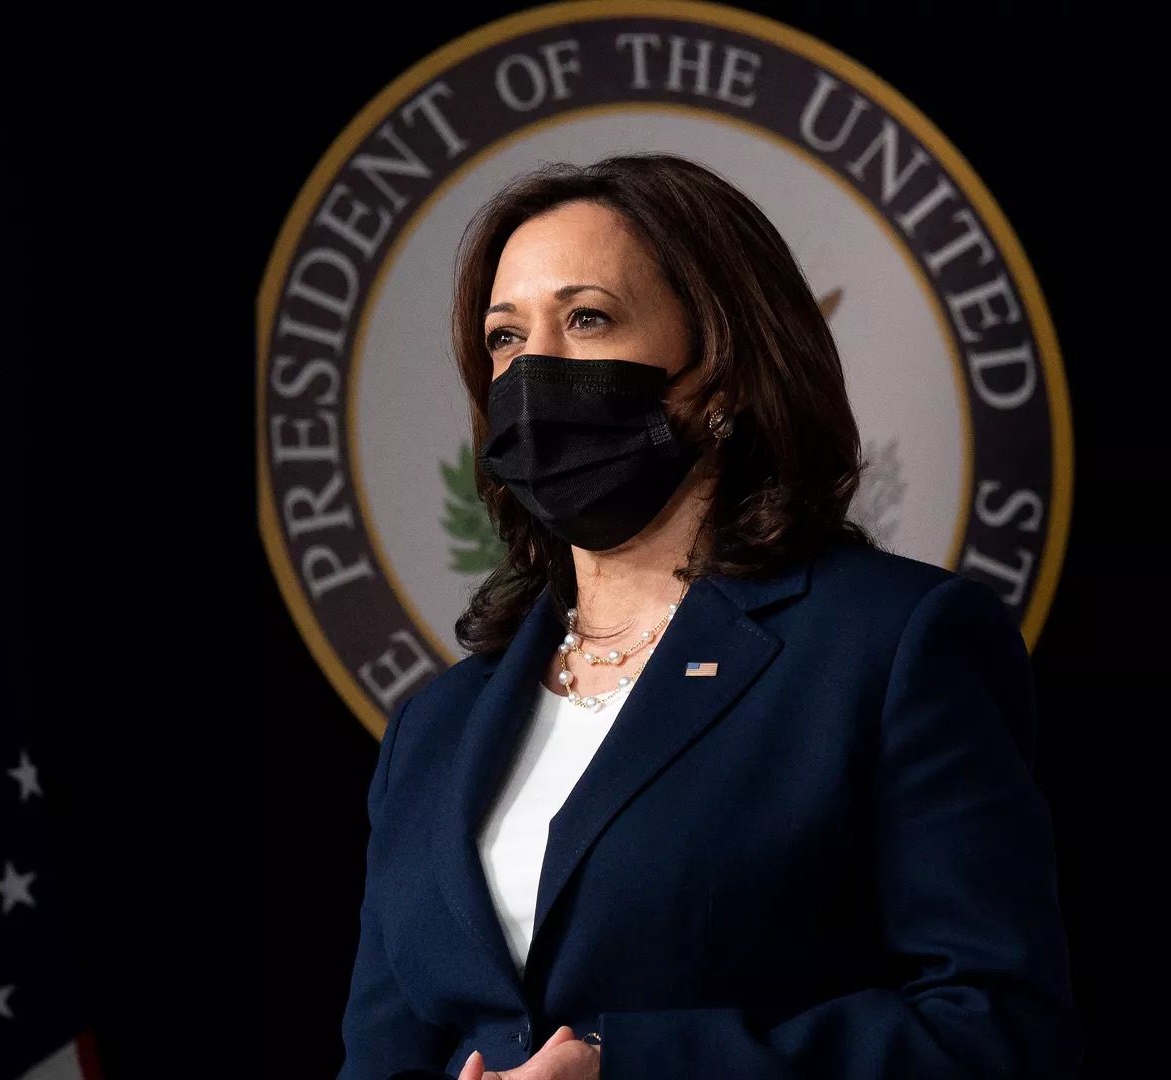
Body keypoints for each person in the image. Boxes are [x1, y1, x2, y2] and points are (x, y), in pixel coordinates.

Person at [335, 153, 1082, 1079]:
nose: (533, 371)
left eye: (587, 319)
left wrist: (633, 1069)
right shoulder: (435, 729)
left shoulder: (891, 648)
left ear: (722, 373)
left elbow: (998, 1035)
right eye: (503, 338)